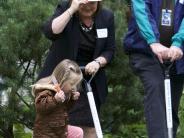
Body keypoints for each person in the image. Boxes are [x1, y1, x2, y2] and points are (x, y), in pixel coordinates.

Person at [39, 0, 115, 137]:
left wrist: (97, 62)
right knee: (66, 127)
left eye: (92, 3)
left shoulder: (106, 16)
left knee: (91, 126)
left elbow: (109, 51)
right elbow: (50, 32)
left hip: (90, 80)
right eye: (83, 3)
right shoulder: (65, 8)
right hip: (64, 80)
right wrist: (72, 9)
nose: (87, 7)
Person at [123, 0, 184, 138]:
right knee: (156, 88)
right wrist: (153, 41)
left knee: (171, 106)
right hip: (146, 53)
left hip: (176, 56)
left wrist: (178, 42)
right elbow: (141, 12)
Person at [32, 59, 83, 138]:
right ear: (61, 79)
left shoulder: (63, 93)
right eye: (72, 84)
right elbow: (40, 108)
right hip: (45, 134)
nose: (74, 87)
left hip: (59, 131)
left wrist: (72, 99)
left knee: (78, 132)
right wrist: (54, 100)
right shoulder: (45, 90)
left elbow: (65, 109)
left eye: (75, 84)